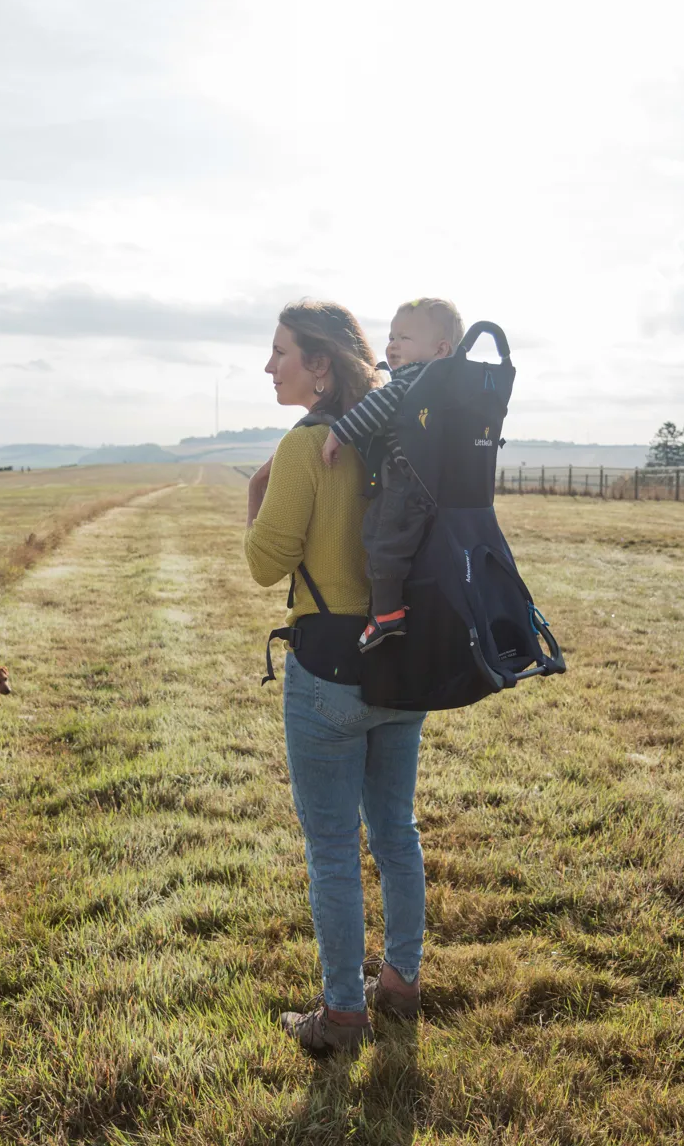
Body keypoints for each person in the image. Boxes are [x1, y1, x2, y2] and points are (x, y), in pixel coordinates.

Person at [244, 299, 428, 1056]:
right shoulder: (397, 433)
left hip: (327, 673)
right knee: (396, 832)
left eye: (281, 351)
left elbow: (263, 565)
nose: (269, 366)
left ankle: (343, 1015)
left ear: (319, 364)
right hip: (404, 665)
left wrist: (254, 497)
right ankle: (403, 982)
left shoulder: (304, 449)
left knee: (331, 847)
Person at [322, 298, 465, 651]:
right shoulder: (453, 388)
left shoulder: (410, 383)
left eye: (404, 338)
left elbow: (376, 407)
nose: (392, 345)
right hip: (441, 487)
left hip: (406, 483)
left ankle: (386, 615)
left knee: (381, 541)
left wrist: (339, 433)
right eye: (391, 336)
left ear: (440, 348)